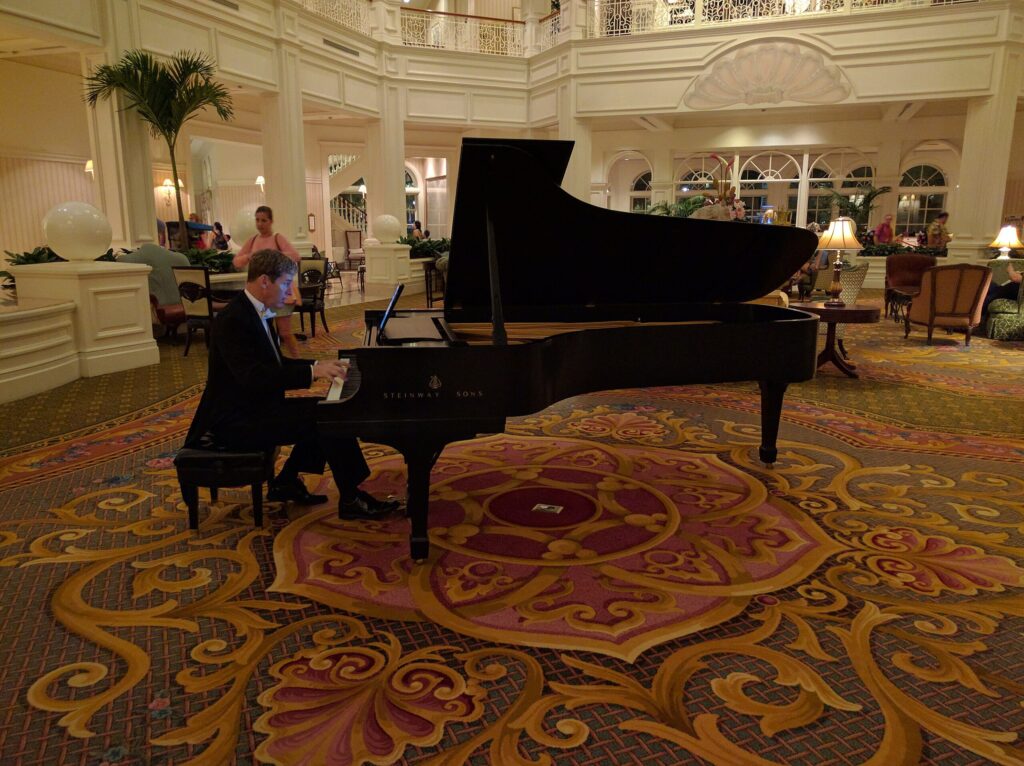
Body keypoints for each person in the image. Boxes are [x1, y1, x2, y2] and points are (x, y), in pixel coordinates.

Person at [183, 249, 400, 519]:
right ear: (264, 281)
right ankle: (351, 498)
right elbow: (255, 378)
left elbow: (273, 364)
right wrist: (312, 372)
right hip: (232, 422)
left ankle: (287, 481)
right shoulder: (233, 321)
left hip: (253, 408)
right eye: (285, 283)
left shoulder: (254, 311)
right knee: (327, 417)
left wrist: (318, 366)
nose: (289, 292)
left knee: (325, 411)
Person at [233, 206, 301, 357]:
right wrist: (250, 256)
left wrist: (272, 254)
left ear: (271, 221)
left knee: (285, 333)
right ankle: (272, 361)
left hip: (281, 293)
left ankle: (297, 360)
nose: (260, 224)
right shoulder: (252, 241)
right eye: (257, 220)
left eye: (264, 220)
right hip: (260, 295)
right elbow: (237, 262)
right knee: (264, 330)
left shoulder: (278, 238)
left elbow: (295, 256)